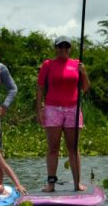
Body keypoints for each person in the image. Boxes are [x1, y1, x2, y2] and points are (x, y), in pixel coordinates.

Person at [36, 36, 91, 192]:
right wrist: (39, 108)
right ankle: (51, 184)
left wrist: (84, 72)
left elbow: (85, 88)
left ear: (70, 48)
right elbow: (40, 87)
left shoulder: (77, 64)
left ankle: (77, 183)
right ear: (56, 48)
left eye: (66, 46)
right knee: (53, 147)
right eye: (60, 47)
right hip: (52, 108)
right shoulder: (48, 64)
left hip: (73, 109)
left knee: (73, 147)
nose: (63, 49)